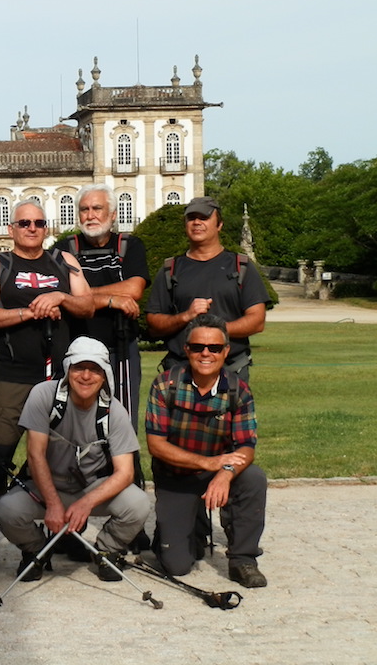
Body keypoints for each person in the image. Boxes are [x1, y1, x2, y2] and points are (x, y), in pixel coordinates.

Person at [0, 199, 94, 568]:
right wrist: (30, 311)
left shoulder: (64, 262)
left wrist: (61, 296)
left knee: (65, 460)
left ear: (46, 227)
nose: (32, 228)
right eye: (24, 222)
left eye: (38, 222)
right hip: (12, 376)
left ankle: (66, 533)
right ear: (12, 229)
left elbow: (87, 306)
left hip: (59, 379)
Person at [0, 337, 151, 582]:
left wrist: (86, 503)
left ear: (105, 375)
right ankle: (36, 550)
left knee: (139, 503)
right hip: (47, 486)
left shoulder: (115, 411)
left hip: (92, 487)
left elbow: (125, 473)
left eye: (94, 369)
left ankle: (107, 550)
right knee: (7, 509)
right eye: (79, 367)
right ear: (68, 368)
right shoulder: (43, 395)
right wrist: (53, 503)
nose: (86, 376)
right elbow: (35, 455)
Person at [145, 314, 268, 588]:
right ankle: (187, 528)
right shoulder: (165, 385)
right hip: (175, 476)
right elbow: (156, 445)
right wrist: (208, 463)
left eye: (214, 348)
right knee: (177, 566)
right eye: (198, 347)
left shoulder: (238, 390)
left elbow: (246, 446)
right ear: (186, 349)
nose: (206, 353)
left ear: (226, 351)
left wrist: (225, 473)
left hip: (217, 472)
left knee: (253, 478)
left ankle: (243, 559)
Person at [53, 184, 149, 426]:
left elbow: (134, 289)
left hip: (120, 349)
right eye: (84, 209)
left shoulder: (129, 246)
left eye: (97, 208)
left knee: (122, 420)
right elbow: (60, 295)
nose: (90, 215)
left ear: (113, 214)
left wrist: (81, 295)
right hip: (76, 349)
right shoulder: (64, 249)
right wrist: (110, 300)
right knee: (76, 422)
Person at [146, 196, 269, 384]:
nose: (196, 222)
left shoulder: (241, 266)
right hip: (181, 373)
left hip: (231, 371)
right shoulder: (170, 269)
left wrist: (215, 331)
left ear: (219, 225)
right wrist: (185, 317)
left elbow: (257, 321)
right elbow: (153, 323)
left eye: (204, 217)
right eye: (191, 218)